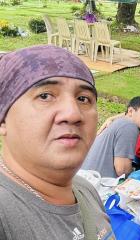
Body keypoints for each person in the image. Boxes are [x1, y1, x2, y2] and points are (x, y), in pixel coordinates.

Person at [0, 45, 114, 239]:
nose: (73, 114)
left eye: (83, 98)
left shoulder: (85, 190)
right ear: (3, 120)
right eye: (45, 96)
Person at [82, 97, 140, 178]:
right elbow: (122, 170)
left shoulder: (120, 122)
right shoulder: (129, 126)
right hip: (99, 185)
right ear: (131, 111)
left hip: (85, 178)